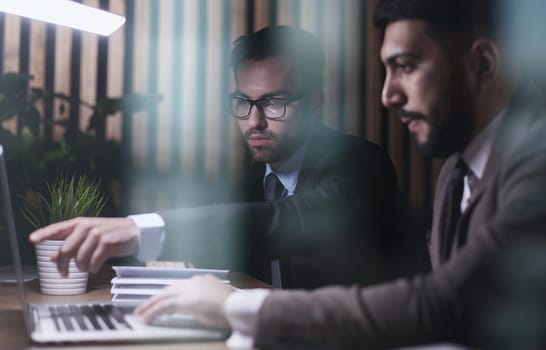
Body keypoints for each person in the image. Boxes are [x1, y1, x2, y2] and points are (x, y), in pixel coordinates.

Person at [134, 0, 546, 349]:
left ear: (483, 63)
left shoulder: (362, 165)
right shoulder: (454, 171)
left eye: (405, 65)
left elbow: (441, 301)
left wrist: (230, 303)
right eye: (243, 102)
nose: (388, 95)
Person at [30, 26, 418, 290]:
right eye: (243, 102)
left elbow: (288, 220)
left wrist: (143, 229)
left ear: (315, 104)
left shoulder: (363, 165)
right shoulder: (252, 180)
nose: (255, 121)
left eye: (275, 103)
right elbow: (230, 238)